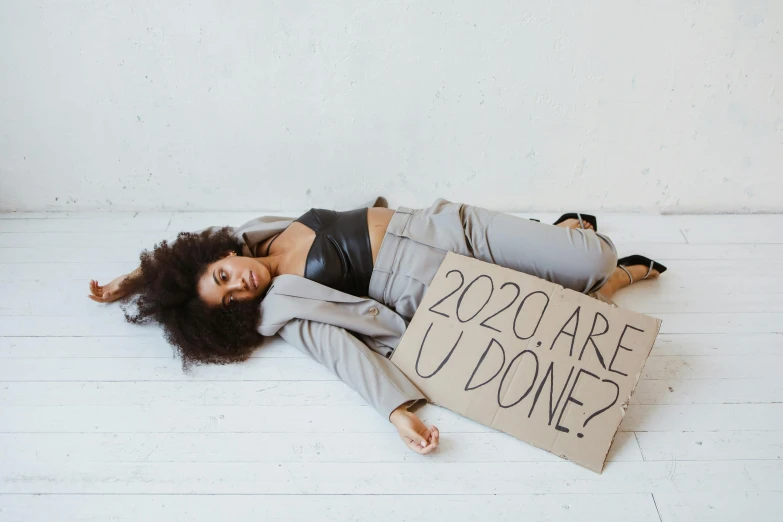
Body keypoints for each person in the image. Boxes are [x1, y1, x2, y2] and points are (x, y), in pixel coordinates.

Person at [87, 197, 666, 455]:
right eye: (228, 295)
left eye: (222, 273)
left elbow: (176, 256)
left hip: (446, 228)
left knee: (594, 254)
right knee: (583, 315)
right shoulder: (282, 305)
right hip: (443, 289)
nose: (238, 282)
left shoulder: (253, 230)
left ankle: (581, 256)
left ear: (216, 255)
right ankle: (608, 288)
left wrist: (133, 278)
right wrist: (397, 413)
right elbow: (340, 352)